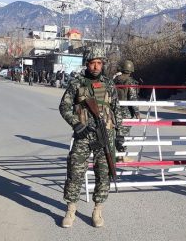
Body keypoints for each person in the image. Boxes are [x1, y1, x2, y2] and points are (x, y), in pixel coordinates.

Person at [58, 47, 122, 228]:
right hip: (83, 135)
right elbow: (64, 107)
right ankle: (70, 211)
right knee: (75, 173)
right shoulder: (76, 83)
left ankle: (97, 211)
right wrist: (76, 124)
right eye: (92, 62)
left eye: (99, 63)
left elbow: (118, 110)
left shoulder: (109, 84)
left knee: (104, 173)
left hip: (106, 135)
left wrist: (120, 136)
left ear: (102, 64)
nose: (96, 66)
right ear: (87, 63)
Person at [113, 59, 141, 162]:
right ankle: (122, 155)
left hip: (115, 110)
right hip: (126, 112)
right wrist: (137, 112)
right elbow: (133, 98)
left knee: (117, 133)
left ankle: (118, 154)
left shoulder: (115, 80)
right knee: (124, 134)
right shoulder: (130, 82)